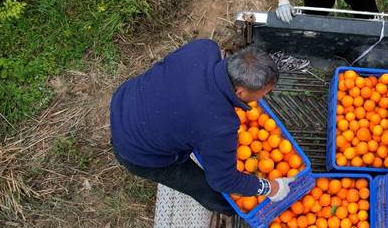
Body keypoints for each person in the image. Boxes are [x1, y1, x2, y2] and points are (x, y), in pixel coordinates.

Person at [109, 40, 294, 215]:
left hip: (126, 102)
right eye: (263, 93)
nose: (262, 98)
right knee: (209, 190)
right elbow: (223, 180)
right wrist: (272, 188)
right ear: (240, 92)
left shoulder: (203, 48)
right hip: (136, 151)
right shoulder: (220, 125)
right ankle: (230, 210)